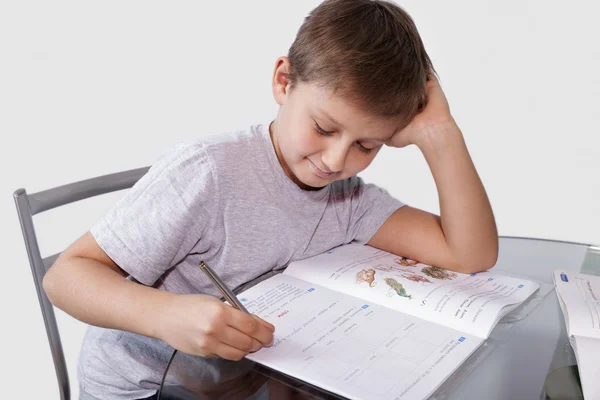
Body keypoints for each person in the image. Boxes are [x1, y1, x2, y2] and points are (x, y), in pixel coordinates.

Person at [43, 0, 498, 398]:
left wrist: (441, 134)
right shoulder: (207, 173)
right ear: (283, 81)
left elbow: (469, 253)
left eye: (367, 146)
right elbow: (64, 277)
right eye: (324, 128)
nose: (336, 160)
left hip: (242, 380)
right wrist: (164, 314)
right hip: (144, 387)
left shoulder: (348, 200)